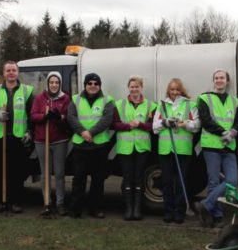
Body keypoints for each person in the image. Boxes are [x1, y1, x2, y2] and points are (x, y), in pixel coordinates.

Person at [0, 61, 34, 214]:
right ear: (4, 73)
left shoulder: (27, 91)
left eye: (14, 70)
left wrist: (29, 132)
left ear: (17, 72)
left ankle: (16, 202)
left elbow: (32, 114)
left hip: (18, 137)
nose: (11, 73)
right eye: (8, 70)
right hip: (0, 137)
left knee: (17, 171)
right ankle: (1, 201)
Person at [193, 69, 238, 227]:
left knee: (232, 180)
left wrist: (232, 133)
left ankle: (205, 204)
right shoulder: (204, 98)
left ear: (227, 81)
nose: (219, 80)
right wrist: (223, 132)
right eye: (216, 78)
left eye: (222, 78)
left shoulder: (235, 100)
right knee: (213, 182)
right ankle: (216, 217)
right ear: (213, 81)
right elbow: (205, 120)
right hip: (211, 145)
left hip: (229, 146)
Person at [153, 78, 200, 223]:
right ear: (168, 91)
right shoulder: (162, 106)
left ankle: (180, 211)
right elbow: (154, 128)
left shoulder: (190, 105)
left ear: (181, 91)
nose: (174, 92)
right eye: (172, 89)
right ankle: (168, 211)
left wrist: (185, 124)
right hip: (166, 150)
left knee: (181, 181)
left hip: (183, 150)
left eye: (177, 89)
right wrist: (164, 122)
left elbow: (197, 125)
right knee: (166, 181)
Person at [67, 73, 114, 218]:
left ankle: (95, 209)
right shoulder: (75, 99)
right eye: (90, 83)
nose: (93, 86)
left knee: (98, 180)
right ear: (85, 85)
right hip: (80, 146)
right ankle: (76, 210)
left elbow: (107, 120)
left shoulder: (107, 100)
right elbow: (71, 117)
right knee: (78, 179)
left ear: (99, 86)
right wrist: (83, 132)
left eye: (96, 84)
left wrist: (91, 133)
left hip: (99, 146)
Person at [113, 76, 156, 221]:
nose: (134, 89)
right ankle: (128, 209)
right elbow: (115, 125)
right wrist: (128, 126)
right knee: (127, 179)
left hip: (142, 148)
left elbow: (153, 126)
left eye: (137, 87)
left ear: (141, 88)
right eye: (132, 87)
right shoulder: (119, 104)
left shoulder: (150, 105)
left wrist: (141, 125)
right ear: (128, 88)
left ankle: (137, 210)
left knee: (138, 179)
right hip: (125, 148)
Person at [30, 72, 71, 216]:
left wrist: (59, 117)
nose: (54, 85)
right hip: (42, 140)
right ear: (48, 84)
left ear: (60, 84)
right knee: (45, 173)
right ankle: (47, 202)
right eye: (51, 82)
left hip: (59, 140)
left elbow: (68, 118)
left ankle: (60, 203)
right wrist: (44, 116)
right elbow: (33, 115)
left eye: (56, 82)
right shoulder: (40, 98)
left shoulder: (65, 98)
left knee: (59, 173)